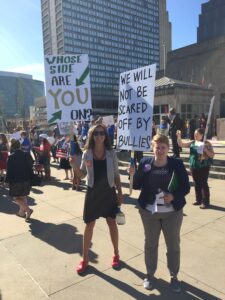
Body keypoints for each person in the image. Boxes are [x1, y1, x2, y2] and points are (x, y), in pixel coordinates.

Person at [130, 134, 190, 292]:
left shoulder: (176, 164)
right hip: (149, 212)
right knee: (150, 244)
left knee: (173, 245)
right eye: (157, 147)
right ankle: (150, 274)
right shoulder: (145, 163)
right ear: (152, 147)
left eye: (163, 147)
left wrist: (174, 196)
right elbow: (136, 185)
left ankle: (174, 276)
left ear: (168, 148)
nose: (160, 150)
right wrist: (133, 173)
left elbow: (186, 187)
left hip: (172, 213)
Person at [73, 124, 123, 274]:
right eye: (96, 133)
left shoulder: (110, 153)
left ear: (106, 136)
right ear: (91, 136)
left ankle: (116, 254)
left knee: (111, 222)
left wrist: (120, 192)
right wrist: (73, 165)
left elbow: (116, 174)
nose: (99, 136)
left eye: (102, 133)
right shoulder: (87, 153)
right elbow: (82, 175)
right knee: (89, 225)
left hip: (108, 192)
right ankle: (85, 259)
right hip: (93, 192)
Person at [177, 128, 214, 209]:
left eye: (197, 134)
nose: (195, 135)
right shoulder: (193, 142)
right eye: (194, 134)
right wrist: (179, 137)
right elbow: (181, 144)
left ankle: (205, 202)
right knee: (196, 183)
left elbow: (212, 155)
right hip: (193, 165)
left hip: (204, 166)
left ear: (202, 135)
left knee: (203, 183)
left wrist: (206, 150)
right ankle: (198, 199)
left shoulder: (206, 143)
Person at [6, 140, 33, 221]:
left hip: (16, 180)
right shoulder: (26, 154)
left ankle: (28, 210)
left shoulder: (11, 157)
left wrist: (7, 181)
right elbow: (31, 164)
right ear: (20, 146)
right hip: (26, 179)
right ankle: (21, 213)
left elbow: (9, 170)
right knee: (23, 196)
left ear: (12, 147)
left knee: (16, 198)